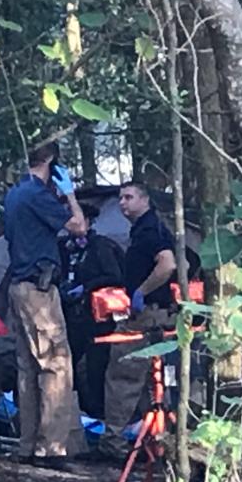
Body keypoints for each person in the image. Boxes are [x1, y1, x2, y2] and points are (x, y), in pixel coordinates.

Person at [3, 142, 85, 469]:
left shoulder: (14, 194)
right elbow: (79, 226)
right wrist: (71, 195)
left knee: (28, 367)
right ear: (50, 160)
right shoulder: (38, 195)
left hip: (18, 287)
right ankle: (51, 448)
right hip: (38, 291)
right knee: (56, 364)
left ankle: (27, 444)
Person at [101, 181, 177, 457]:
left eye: (128, 197)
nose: (122, 203)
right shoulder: (150, 228)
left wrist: (142, 292)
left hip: (147, 314)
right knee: (151, 380)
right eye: (120, 198)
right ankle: (156, 441)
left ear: (144, 200)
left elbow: (168, 263)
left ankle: (114, 442)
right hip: (156, 312)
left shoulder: (149, 229)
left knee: (123, 372)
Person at [58, 203, 124, 420]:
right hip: (69, 316)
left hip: (98, 319)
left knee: (97, 367)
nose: (72, 224)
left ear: (88, 222)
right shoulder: (62, 247)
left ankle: (101, 415)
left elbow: (115, 277)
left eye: (77, 219)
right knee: (67, 364)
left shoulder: (101, 247)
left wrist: (86, 288)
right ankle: (74, 413)